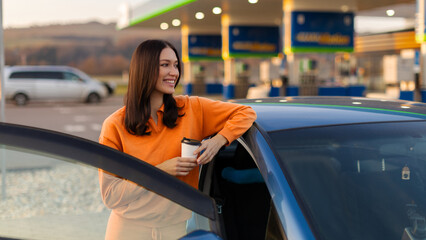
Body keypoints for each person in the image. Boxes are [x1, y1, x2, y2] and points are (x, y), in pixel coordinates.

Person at [98, 39, 256, 240]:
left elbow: (246, 113)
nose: (174, 72)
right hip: (127, 229)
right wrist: (162, 170)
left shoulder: (192, 108)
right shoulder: (114, 125)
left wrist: (218, 141)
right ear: (144, 69)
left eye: (175, 65)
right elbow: (111, 195)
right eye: (165, 65)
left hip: (177, 228)